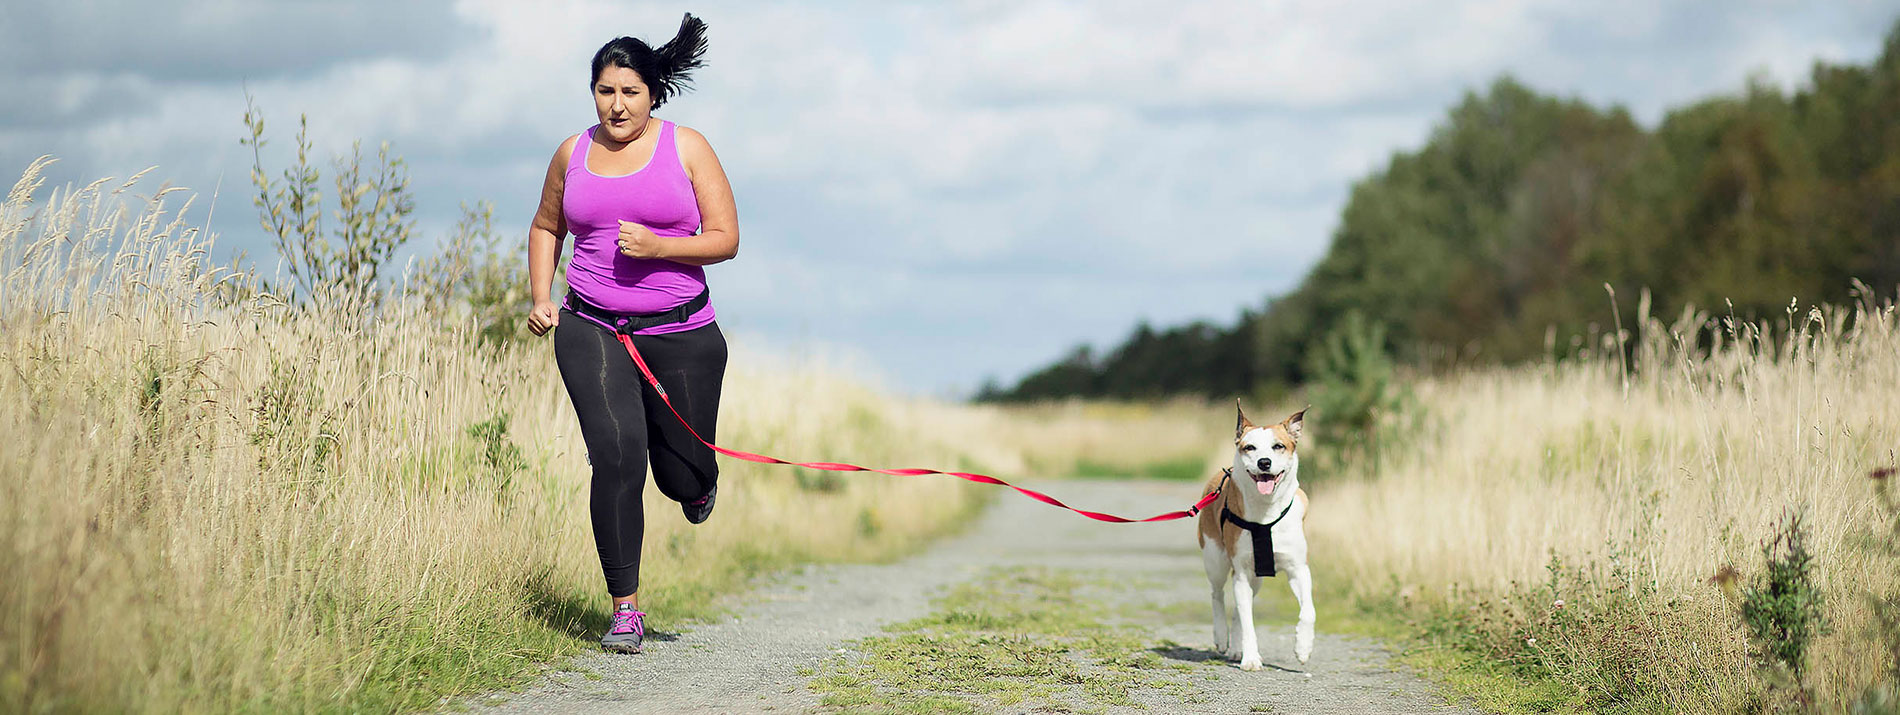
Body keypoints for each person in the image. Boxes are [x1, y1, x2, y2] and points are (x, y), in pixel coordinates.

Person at [525, 13, 738, 655]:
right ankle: (624, 609)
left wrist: (659, 246)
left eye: (630, 93)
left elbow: (726, 240)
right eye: (605, 91)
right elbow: (545, 228)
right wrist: (542, 297)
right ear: (593, 91)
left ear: (653, 94)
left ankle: (699, 483)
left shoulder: (688, 148)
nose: (616, 106)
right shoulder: (573, 153)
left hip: (680, 333)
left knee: (677, 473)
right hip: (591, 326)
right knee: (616, 456)